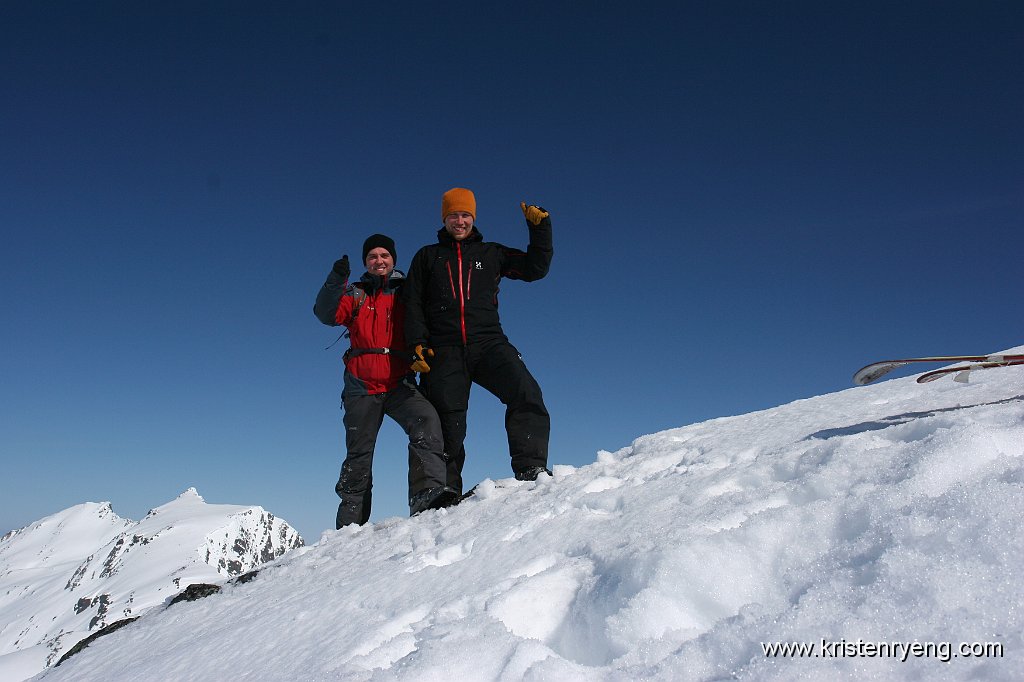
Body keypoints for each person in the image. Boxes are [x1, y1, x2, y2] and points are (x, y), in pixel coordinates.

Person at [402, 188, 554, 495]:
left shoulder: (492, 254)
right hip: (444, 350)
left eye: (466, 215)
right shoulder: (427, 257)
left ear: (473, 218)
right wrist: (416, 343)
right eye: (454, 215)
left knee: (526, 391)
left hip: (488, 342)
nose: (460, 221)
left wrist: (541, 230)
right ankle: (444, 491)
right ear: (444, 218)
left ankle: (531, 467)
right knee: (447, 423)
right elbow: (411, 303)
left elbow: (535, 269)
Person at [314, 234, 459, 528]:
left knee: (426, 421)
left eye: (384, 256)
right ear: (366, 262)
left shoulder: (407, 292)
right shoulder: (355, 294)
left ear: (393, 259)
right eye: (372, 257)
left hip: (399, 383)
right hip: (361, 387)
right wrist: (336, 279)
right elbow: (325, 314)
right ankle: (349, 527)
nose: (379, 261)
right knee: (359, 455)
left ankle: (426, 495)